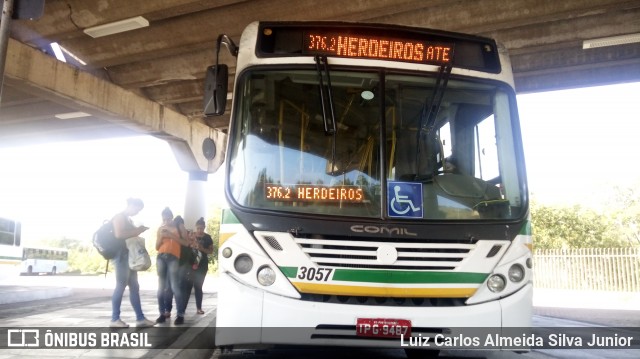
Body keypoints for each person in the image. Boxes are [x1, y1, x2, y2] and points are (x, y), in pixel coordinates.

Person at [110, 197, 155, 328]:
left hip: (129, 257)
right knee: (121, 285)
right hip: (121, 256)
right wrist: (137, 230)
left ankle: (140, 318)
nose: (137, 212)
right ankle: (114, 319)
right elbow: (118, 234)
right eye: (137, 209)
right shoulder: (119, 217)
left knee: (134, 287)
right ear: (131, 205)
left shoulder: (128, 219)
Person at [155, 208, 190, 325]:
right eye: (164, 219)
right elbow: (156, 246)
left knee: (175, 286)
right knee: (162, 288)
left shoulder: (177, 228)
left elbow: (185, 243)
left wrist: (170, 235)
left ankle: (180, 315)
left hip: (173, 258)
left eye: (168, 219)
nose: (166, 221)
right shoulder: (160, 228)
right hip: (161, 257)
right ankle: (162, 313)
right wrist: (161, 236)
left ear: (172, 217)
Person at [191, 217, 214, 314]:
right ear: (196, 228)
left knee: (198, 286)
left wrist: (202, 249)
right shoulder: (191, 235)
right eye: (198, 228)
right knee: (187, 286)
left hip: (202, 264)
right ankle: (181, 310)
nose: (200, 230)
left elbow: (211, 251)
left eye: (202, 228)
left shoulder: (207, 237)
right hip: (191, 263)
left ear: (204, 227)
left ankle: (199, 308)